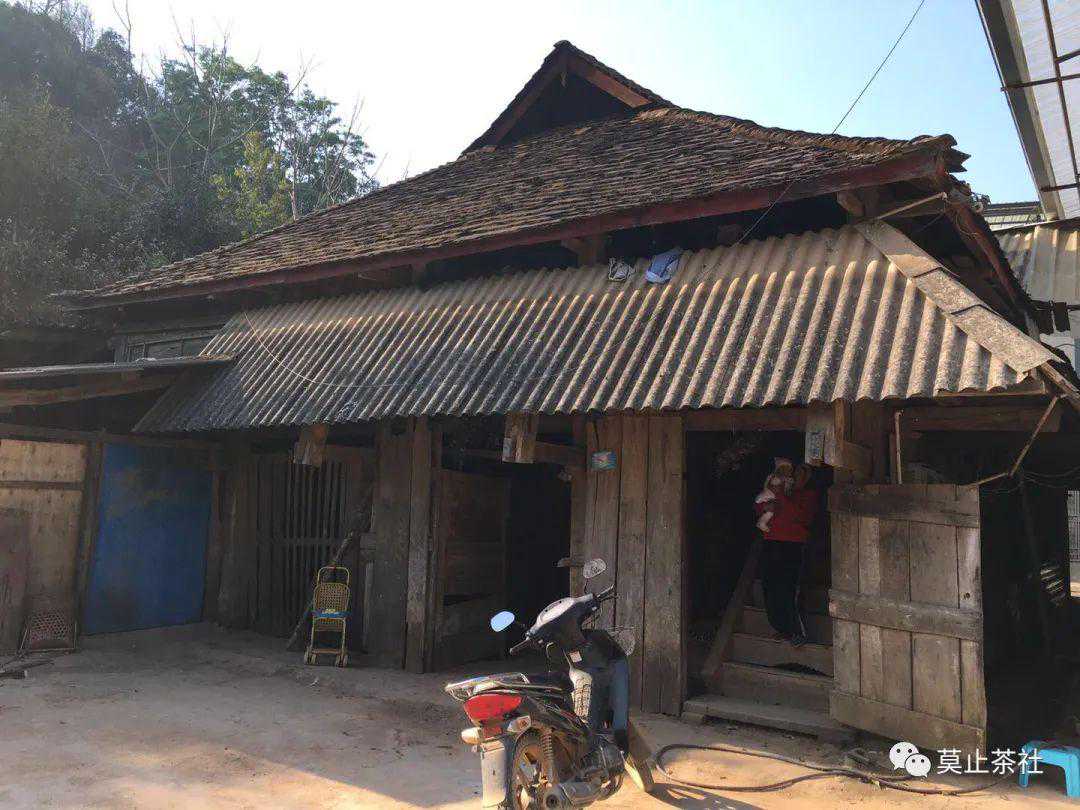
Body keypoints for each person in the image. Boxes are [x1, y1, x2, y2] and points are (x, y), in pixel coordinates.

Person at [760, 463, 818, 646]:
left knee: (789, 589)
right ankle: (782, 628)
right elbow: (761, 509)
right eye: (794, 474)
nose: (794, 477)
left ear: (807, 479)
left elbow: (799, 516)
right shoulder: (782, 493)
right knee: (770, 587)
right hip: (771, 541)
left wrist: (779, 495)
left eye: (800, 474)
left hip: (793, 545)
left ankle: (798, 631)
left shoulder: (809, 495)